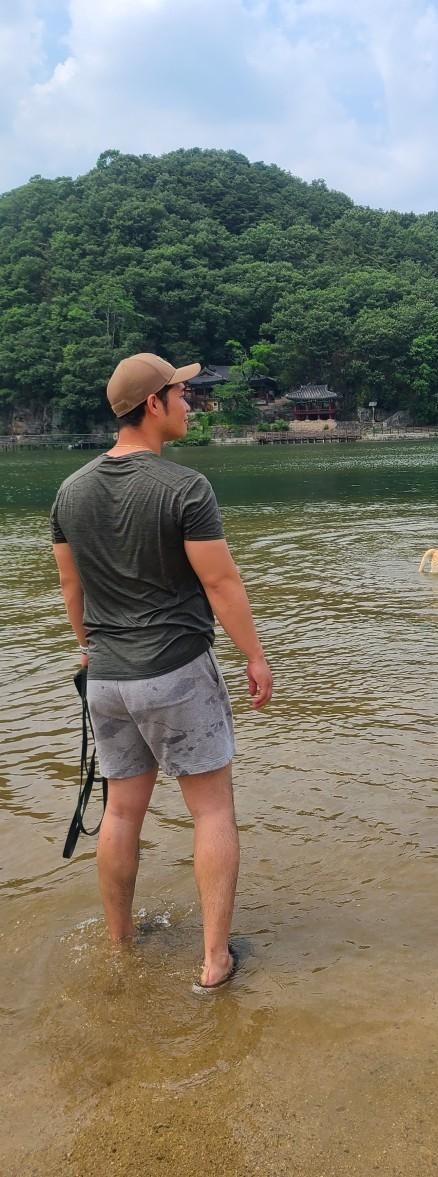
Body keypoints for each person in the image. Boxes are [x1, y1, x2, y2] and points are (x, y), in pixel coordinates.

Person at [51, 352, 272, 990]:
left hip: (107, 676)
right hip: (174, 668)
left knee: (122, 813)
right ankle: (213, 963)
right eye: (182, 391)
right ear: (154, 404)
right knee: (211, 812)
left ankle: (121, 945)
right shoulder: (184, 488)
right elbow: (222, 582)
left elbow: (72, 589)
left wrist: (90, 648)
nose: (191, 401)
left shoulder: (70, 491)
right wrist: (255, 657)